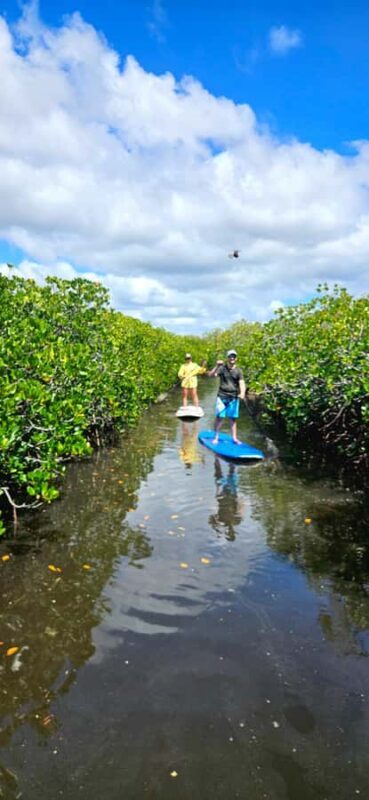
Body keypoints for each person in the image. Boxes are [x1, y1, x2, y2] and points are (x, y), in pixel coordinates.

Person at [208, 349, 245, 444]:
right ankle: (216, 437)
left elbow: (242, 383)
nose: (232, 358)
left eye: (234, 356)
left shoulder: (239, 371)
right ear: (227, 358)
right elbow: (210, 375)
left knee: (233, 418)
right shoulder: (222, 368)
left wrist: (242, 393)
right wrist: (216, 366)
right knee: (220, 417)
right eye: (230, 356)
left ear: (236, 358)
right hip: (222, 396)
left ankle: (234, 438)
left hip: (233, 397)